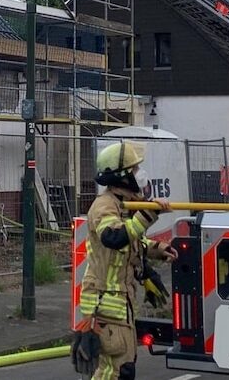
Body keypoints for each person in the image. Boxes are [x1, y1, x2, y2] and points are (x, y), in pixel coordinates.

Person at [72, 141, 178, 380]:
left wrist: (158, 249)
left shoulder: (123, 206)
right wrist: (148, 215)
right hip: (106, 303)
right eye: (136, 169)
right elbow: (114, 238)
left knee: (121, 368)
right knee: (116, 371)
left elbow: (130, 244)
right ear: (122, 176)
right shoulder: (105, 206)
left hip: (119, 303)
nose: (141, 175)